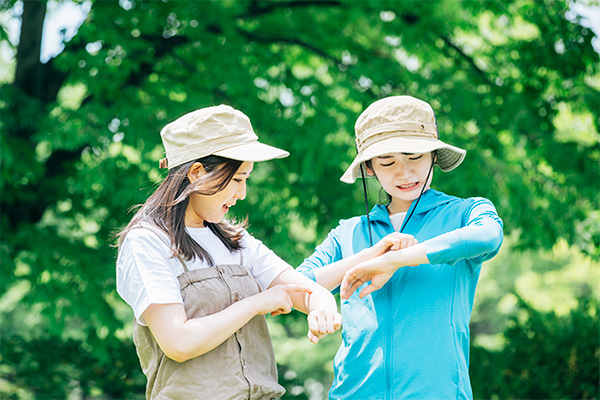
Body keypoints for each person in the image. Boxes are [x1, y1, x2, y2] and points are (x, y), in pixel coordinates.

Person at [116, 105, 342, 400]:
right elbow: (179, 343)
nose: (243, 193)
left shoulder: (236, 239)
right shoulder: (147, 242)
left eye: (246, 179)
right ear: (197, 173)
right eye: (237, 179)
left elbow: (302, 289)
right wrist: (256, 302)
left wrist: (322, 305)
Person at [297, 96, 504, 399]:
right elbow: (295, 286)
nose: (404, 173)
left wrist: (398, 260)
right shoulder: (348, 231)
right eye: (387, 161)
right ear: (369, 167)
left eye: (414, 157)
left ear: (433, 155)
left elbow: (488, 236)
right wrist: (369, 257)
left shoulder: (465, 213)